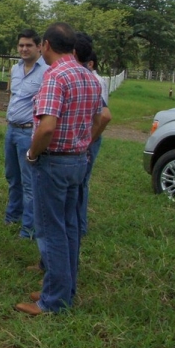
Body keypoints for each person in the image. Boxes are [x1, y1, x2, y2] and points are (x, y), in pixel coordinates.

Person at [14, 23, 104, 316]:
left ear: (47, 46)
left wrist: (32, 153)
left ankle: (53, 301)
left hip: (53, 162)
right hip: (78, 160)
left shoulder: (55, 76)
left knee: (51, 230)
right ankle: (64, 288)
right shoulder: (88, 76)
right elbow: (99, 118)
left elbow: (47, 127)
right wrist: (83, 143)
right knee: (69, 229)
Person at [3, 29, 48, 240]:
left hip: (29, 131)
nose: (24, 49)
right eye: (21, 45)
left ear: (39, 46)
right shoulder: (16, 69)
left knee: (29, 181)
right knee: (12, 176)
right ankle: (13, 215)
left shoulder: (47, 71)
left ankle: (28, 228)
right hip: (11, 129)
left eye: (28, 45)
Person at [73, 33, 112, 238]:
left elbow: (104, 116)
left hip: (88, 137)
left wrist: (89, 140)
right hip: (86, 136)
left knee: (80, 183)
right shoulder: (90, 78)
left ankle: (79, 226)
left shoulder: (93, 80)